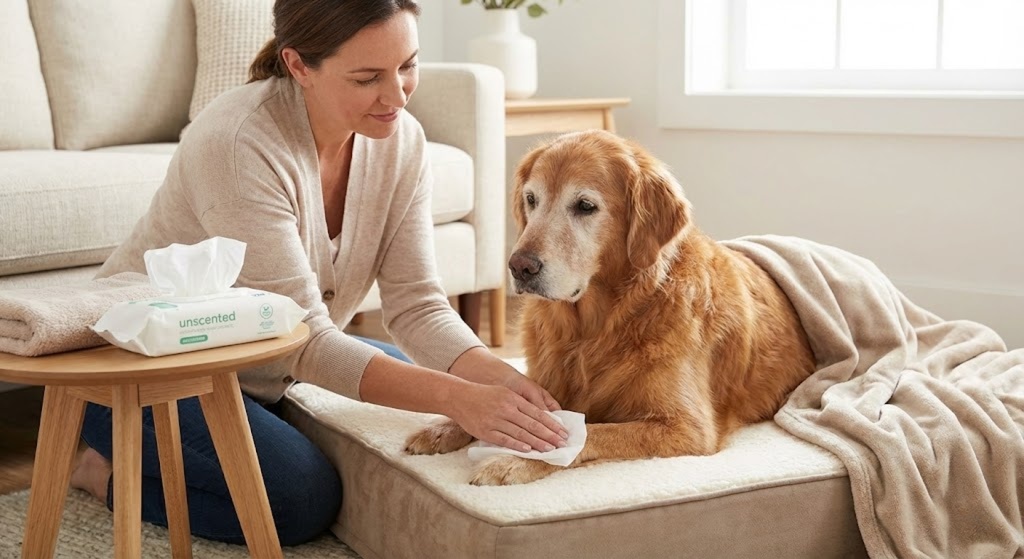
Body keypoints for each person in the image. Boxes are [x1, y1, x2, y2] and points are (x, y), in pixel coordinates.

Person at [69, 0, 568, 546]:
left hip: (271, 368)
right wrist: (455, 396)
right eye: (367, 78)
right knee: (302, 499)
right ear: (299, 65)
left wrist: (505, 382)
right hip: (149, 372)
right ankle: (103, 472)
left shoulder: (402, 141)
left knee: (419, 426)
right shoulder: (239, 143)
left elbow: (418, 304)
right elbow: (301, 341)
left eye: (407, 65)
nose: (398, 95)